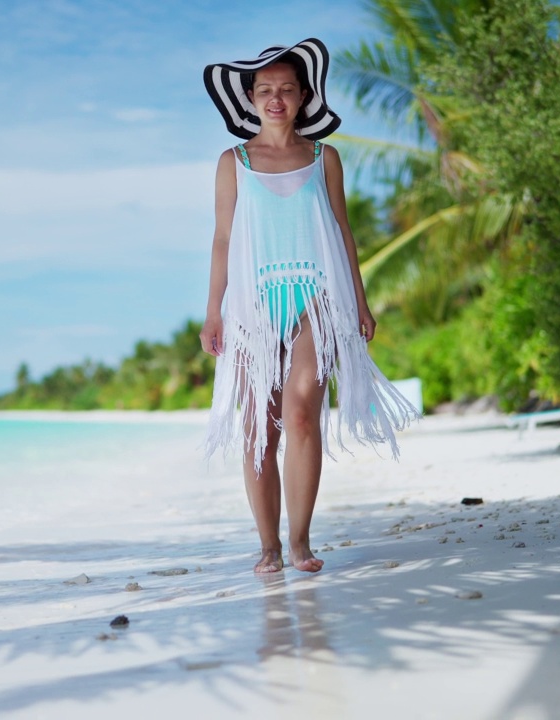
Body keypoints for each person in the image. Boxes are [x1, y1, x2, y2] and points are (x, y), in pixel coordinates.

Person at [200, 38, 418, 574]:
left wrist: (360, 302)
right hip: (253, 304)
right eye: (266, 90)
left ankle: (299, 542)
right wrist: (213, 310)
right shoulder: (235, 162)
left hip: (318, 298)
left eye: (287, 90)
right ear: (250, 97)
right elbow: (223, 238)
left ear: (303, 96)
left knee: (300, 414)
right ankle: (267, 546)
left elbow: (343, 231)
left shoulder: (325, 157)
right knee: (259, 428)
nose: (276, 99)